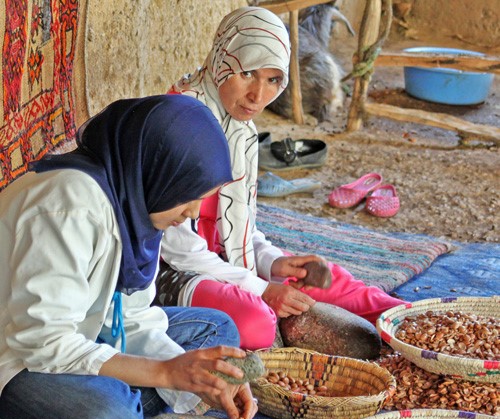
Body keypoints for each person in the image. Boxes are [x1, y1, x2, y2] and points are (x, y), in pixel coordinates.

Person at [0, 94, 258, 419]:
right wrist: (168, 375)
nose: (191, 213)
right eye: (187, 195)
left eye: (200, 199)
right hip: (15, 362)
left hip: (75, 339)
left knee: (216, 333)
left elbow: (132, 315)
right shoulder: (69, 205)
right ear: (157, 169)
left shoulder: (133, 203)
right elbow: (41, 341)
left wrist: (198, 378)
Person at [157, 7, 407, 351]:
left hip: (227, 262)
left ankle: (413, 320)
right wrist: (261, 288)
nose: (258, 96)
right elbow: (179, 250)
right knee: (256, 323)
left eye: (273, 79)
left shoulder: (241, 130)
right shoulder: (178, 123)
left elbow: (239, 223)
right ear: (222, 58)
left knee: (328, 280)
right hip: (169, 272)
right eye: (247, 73)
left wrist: (272, 261)